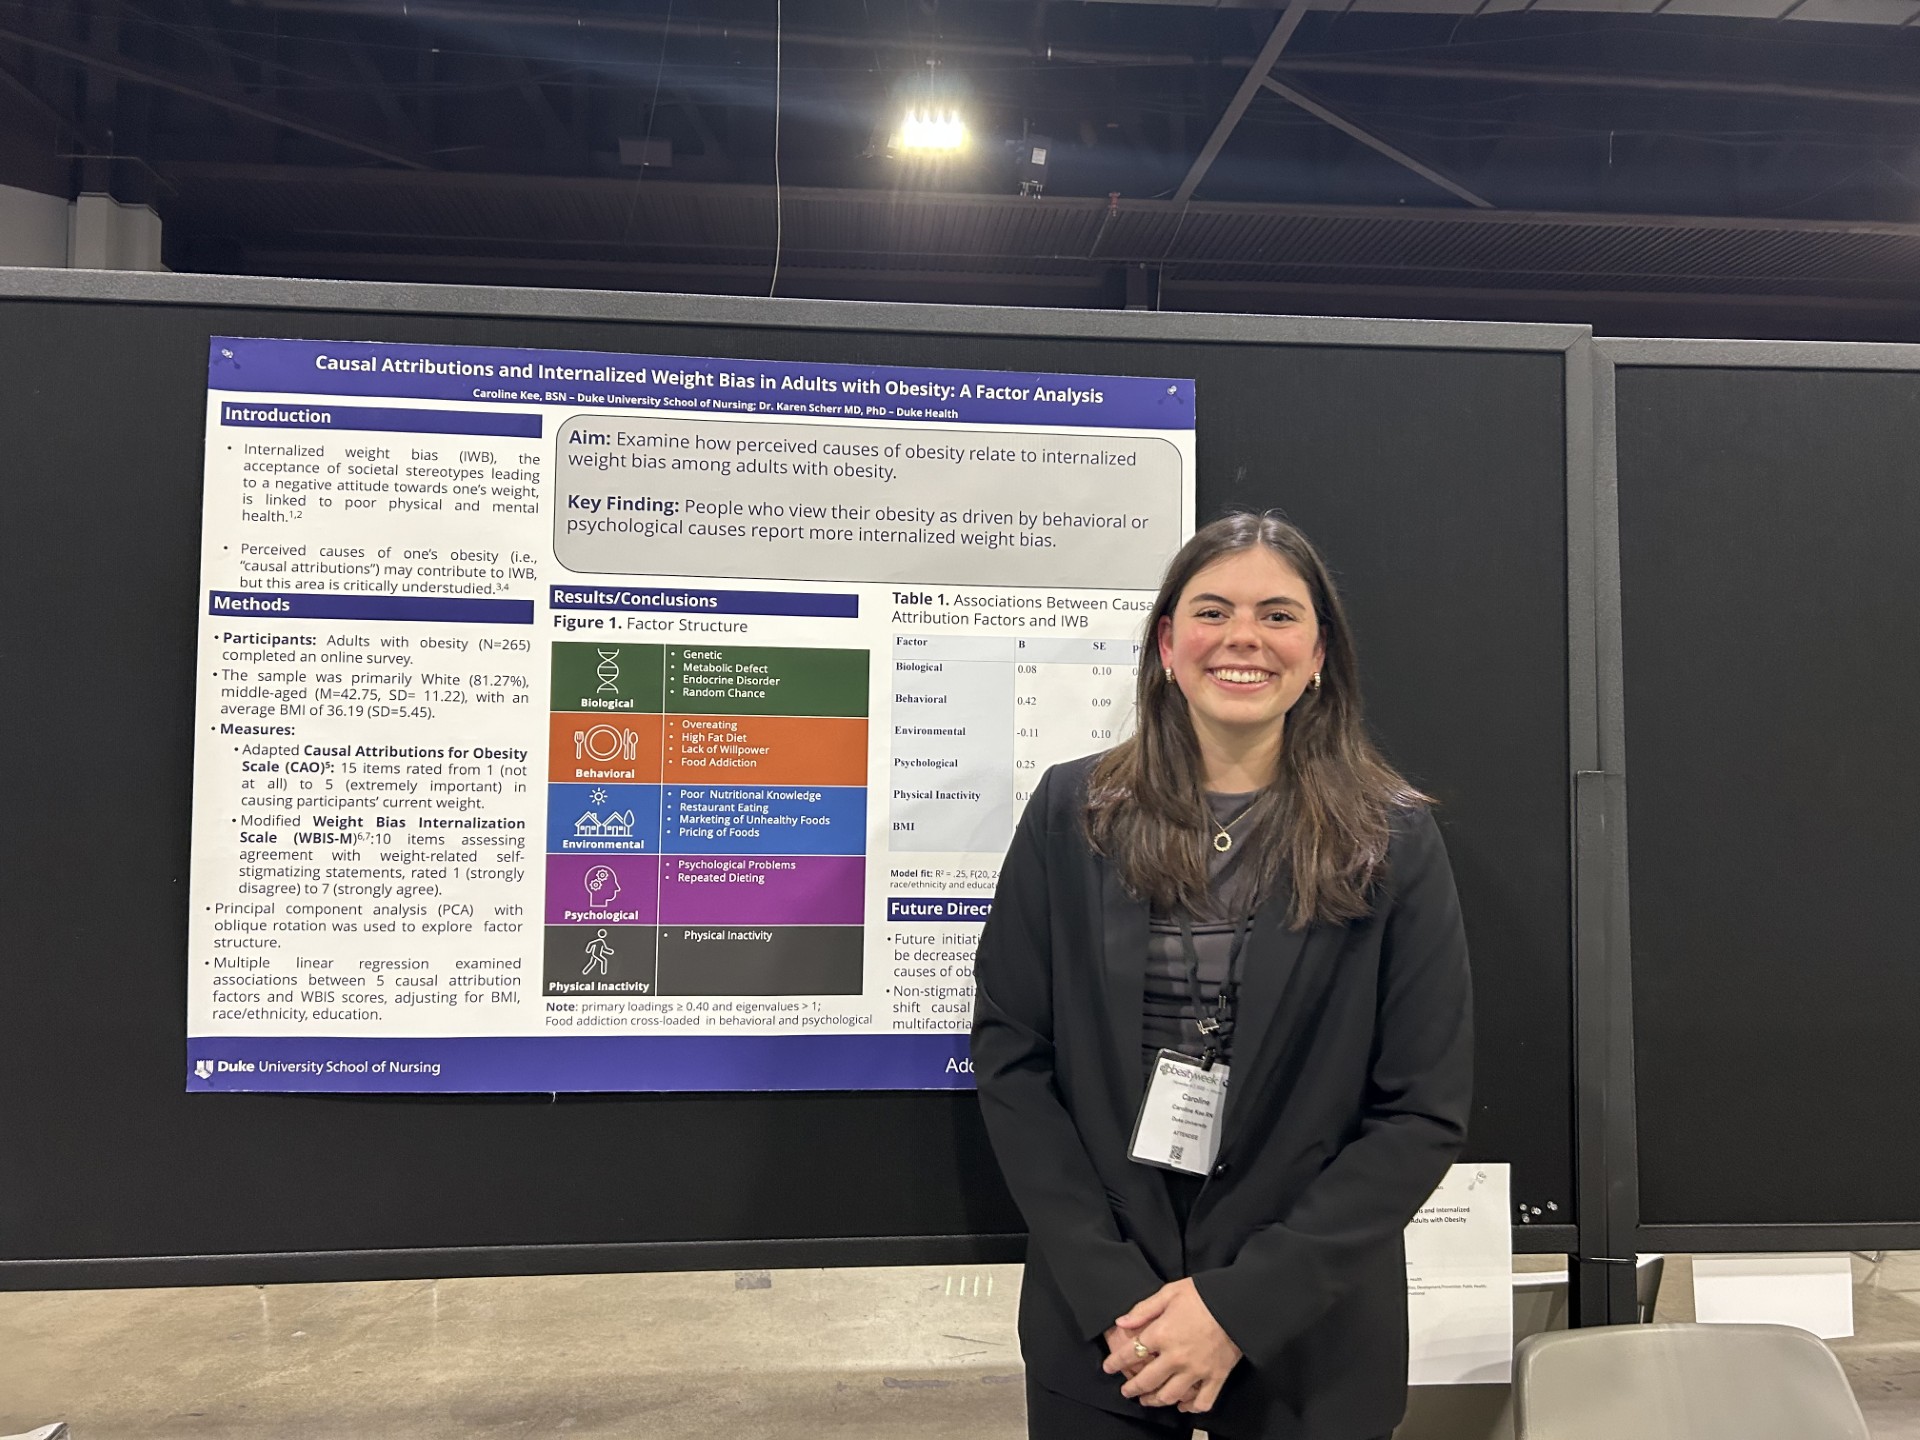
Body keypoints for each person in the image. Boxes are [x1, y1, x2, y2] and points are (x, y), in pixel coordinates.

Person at [971, 511, 1473, 1440]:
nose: (1244, 638)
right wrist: (1118, 1297)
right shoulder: (1069, 814)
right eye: (1213, 611)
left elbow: (1419, 1110)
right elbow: (1013, 1060)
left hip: (1307, 1337)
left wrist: (1238, 1310)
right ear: (1168, 643)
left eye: (1279, 615)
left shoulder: (1392, 839)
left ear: (1319, 653)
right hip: (1106, 1331)